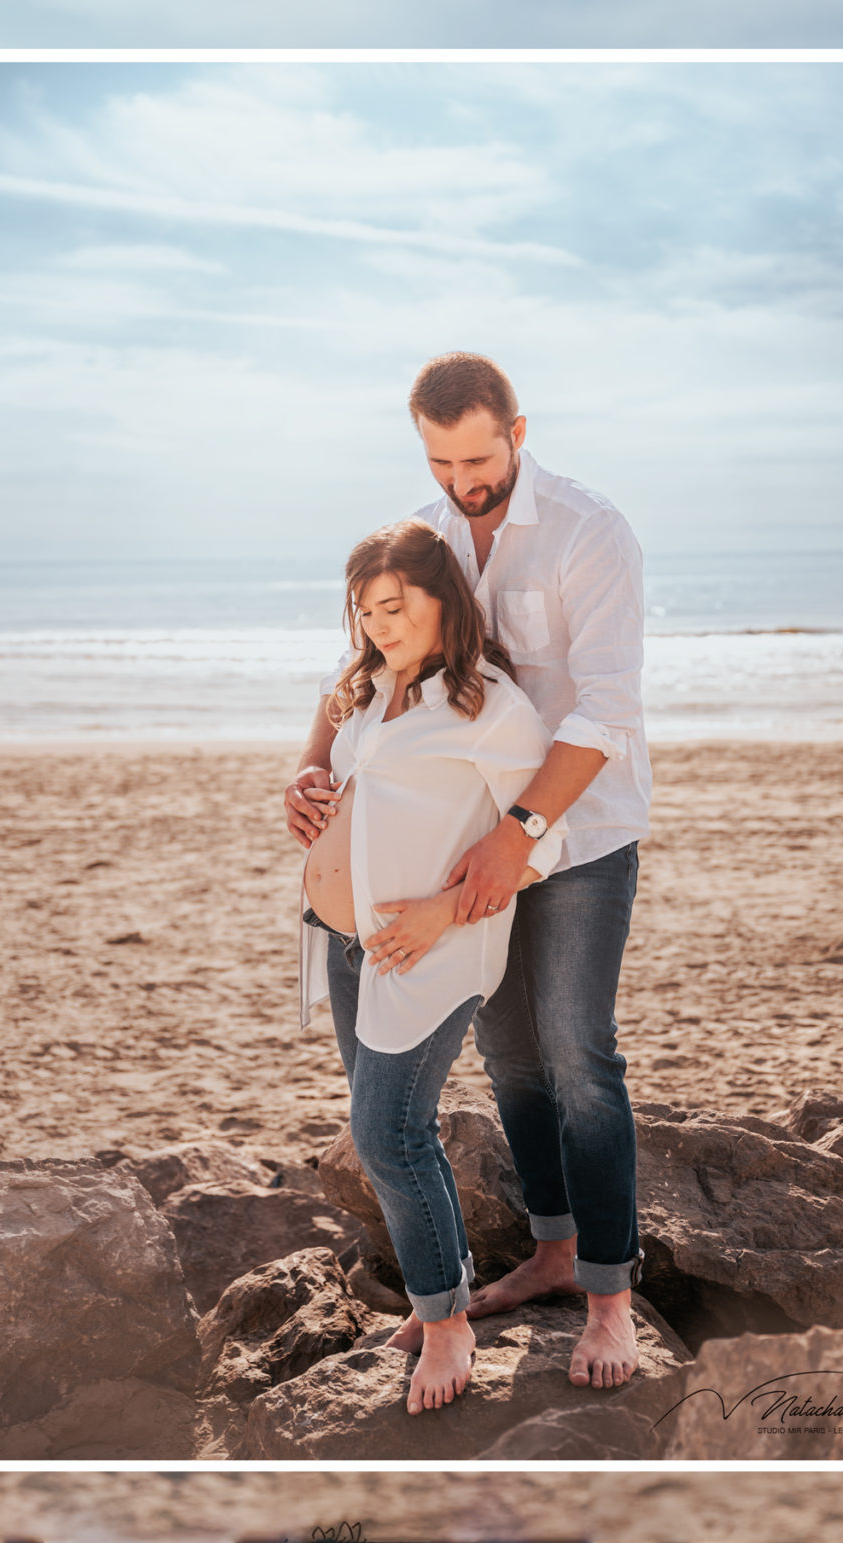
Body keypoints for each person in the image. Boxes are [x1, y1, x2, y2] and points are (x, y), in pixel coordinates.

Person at [287, 352, 650, 1392]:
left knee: (580, 1058)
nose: (463, 478)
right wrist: (311, 766)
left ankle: (609, 1294)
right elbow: (358, 664)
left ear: (518, 432)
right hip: (467, 840)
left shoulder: (589, 532)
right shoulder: (429, 530)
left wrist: (517, 834)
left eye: (479, 456)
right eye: (441, 459)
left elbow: (604, 713)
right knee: (511, 1058)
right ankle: (546, 1245)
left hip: (574, 832)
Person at [298, 520, 563, 1414]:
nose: (379, 625)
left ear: (445, 599)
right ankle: (436, 1291)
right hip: (345, 943)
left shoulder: (492, 706)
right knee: (387, 1131)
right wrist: (303, 789)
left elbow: (538, 841)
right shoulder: (369, 691)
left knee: (388, 1133)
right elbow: (340, 776)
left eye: (396, 607)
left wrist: (441, 911)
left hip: (434, 948)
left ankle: (448, 1326)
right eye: (367, 611)